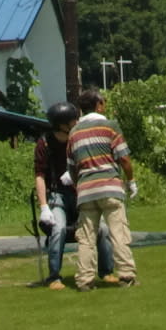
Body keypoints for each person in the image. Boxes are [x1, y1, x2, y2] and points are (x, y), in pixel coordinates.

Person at [33, 101, 114, 290]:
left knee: (102, 229)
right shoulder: (44, 143)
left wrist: (75, 172)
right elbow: (39, 176)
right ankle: (53, 276)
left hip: (80, 193)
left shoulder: (77, 139)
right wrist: (44, 207)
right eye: (72, 121)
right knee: (58, 228)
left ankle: (107, 271)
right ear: (61, 125)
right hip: (57, 196)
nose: (76, 123)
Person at [66, 87, 137, 291]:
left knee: (86, 238)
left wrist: (79, 185)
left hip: (86, 191)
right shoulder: (110, 126)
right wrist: (131, 181)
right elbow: (123, 158)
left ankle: (84, 280)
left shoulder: (74, 133)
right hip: (110, 187)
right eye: (103, 102)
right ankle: (126, 275)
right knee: (118, 233)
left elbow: (71, 167)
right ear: (98, 105)